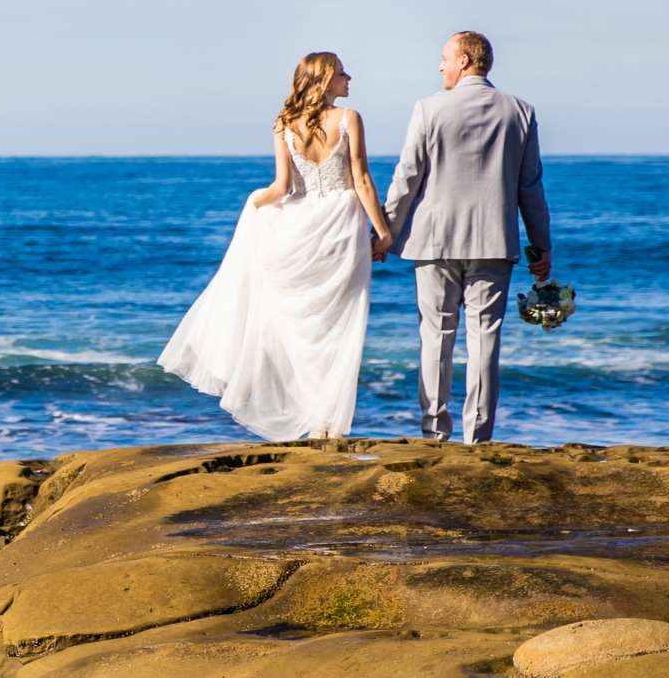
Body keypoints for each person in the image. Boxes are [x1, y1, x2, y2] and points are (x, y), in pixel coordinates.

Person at [160, 51, 394, 440]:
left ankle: (309, 417)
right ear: (324, 80)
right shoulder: (349, 118)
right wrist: (383, 232)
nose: (348, 78)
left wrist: (254, 202)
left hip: (301, 230)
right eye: (341, 73)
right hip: (340, 226)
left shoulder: (284, 124)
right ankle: (326, 422)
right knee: (337, 327)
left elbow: (281, 188)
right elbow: (362, 181)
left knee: (300, 329)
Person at [378, 31, 553, 443]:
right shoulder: (520, 112)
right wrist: (541, 245)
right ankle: (479, 434)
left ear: (466, 60)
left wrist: (386, 231)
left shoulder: (428, 109)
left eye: (444, 58)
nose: (440, 66)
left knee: (435, 337)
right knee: (485, 339)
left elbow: (407, 177)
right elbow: (531, 186)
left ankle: (434, 430)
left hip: (435, 241)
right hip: (494, 240)